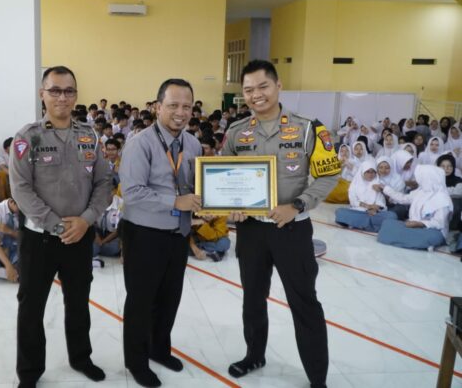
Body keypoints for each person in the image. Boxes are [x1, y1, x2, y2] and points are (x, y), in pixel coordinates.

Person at [221, 60, 340, 388]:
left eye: (262, 86)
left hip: (292, 229)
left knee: (304, 302)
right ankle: (254, 355)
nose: (255, 95)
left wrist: (298, 205)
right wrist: (231, 207)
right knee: (253, 298)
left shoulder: (307, 129)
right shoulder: (236, 132)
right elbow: (223, 176)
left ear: (278, 86)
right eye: (248, 90)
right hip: (251, 231)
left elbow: (329, 173)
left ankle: (318, 377)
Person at [8, 66, 111, 387]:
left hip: (80, 236)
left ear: (76, 96)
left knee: (79, 303)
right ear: (42, 94)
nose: (62, 97)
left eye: (68, 91)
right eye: (55, 90)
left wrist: (86, 220)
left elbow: (105, 182)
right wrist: (57, 226)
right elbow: (21, 189)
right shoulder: (28, 138)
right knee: (31, 308)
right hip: (40, 239)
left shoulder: (89, 135)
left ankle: (81, 358)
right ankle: (29, 372)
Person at [120, 78, 202, 388]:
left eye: (187, 106)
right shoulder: (139, 143)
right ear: (157, 107)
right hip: (145, 234)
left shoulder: (192, 144)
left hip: (177, 234)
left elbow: (195, 185)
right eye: (173, 105)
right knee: (141, 301)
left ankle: (159, 349)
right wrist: (175, 201)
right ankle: (136, 361)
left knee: (170, 298)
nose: (180, 112)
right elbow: (132, 192)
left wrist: (207, 198)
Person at [377, 165, 453, 249]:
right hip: (412, 226)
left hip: (431, 230)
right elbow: (403, 198)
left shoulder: (442, 198)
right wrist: (385, 189)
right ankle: (415, 242)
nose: (418, 180)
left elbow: (439, 223)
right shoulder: (421, 191)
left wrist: (420, 224)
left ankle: (405, 239)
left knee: (430, 237)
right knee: (388, 223)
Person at [334, 160, 397, 232]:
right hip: (359, 211)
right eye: (368, 172)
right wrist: (367, 207)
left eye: (373, 172)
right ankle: (373, 226)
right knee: (339, 211)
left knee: (392, 216)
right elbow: (353, 201)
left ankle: (358, 224)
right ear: (362, 172)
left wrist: (375, 209)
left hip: (375, 214)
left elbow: (381, 201)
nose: (371, 174)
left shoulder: (378, 183)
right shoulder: (355, 184)